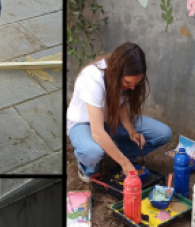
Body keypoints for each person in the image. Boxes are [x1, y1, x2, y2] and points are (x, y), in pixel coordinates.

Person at [67, 43, 172, 181]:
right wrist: (126, 164)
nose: (132, 88)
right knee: (92, 152)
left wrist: (131, 131)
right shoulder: (92, 79)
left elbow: (120, 105)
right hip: (84, 125)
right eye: (128, 83)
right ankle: (87, 168)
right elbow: (97, 132)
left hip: (110, 121)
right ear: (117, 72)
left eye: (136, 83)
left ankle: (112, 152)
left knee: (164, 133)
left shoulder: (122, 77)